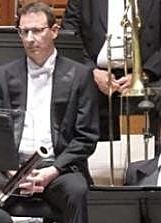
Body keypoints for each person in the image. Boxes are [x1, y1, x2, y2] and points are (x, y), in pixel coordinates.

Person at [0, 1, 99, 223]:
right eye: (24, 32)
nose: (31, 38)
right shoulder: (1, 77)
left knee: (77, 191)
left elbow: (85, 137)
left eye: (37, 30)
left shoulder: (79, 76)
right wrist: (13, 170)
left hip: (58, 168)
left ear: (54, 31)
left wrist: (53, 171)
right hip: (13, 166)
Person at [62, 0, 160, 143]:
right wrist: (92, 72)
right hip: (95, 76)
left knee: (145, 146)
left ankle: (149, 161)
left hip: (148, 76)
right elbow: (69, 35)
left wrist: (144, 74)